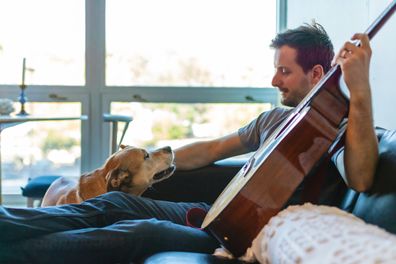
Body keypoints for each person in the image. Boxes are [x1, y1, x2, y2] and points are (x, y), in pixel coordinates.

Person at [0, 23, 378, 264]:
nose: (275, 80)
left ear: (316, 73)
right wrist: (151, 160)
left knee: (140, 231)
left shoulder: (334, 129)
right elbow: (213, 149)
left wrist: (360, 91)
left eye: (284, 71)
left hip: (236, 234)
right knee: (116, 201)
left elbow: (361, 178)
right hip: (213, 213)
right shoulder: (273, 119)